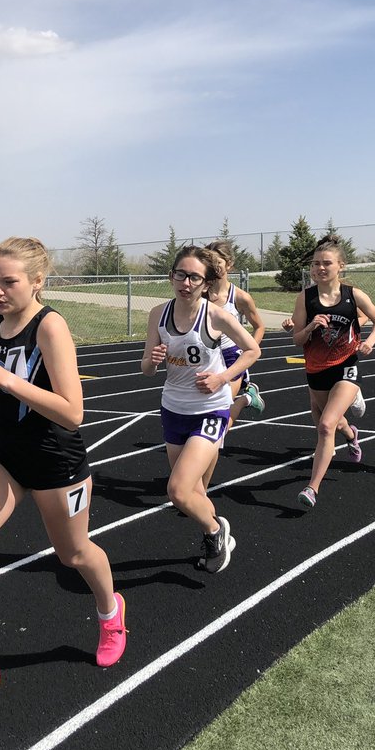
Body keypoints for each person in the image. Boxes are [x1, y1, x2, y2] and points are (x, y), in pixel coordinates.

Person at [0, 237, 126, 730]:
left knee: (74, 554)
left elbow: (73, 412)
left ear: (37, 281)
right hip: (2, 451)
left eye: (8, 281)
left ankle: (110, 611)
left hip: (54, 458)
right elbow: (3, 376)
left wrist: (5, 380)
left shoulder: (51, 327)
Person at [141, 245, 260, 573]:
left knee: (178, 491)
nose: (186, 282)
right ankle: (219, 531)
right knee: (192, 490)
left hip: (211, 410)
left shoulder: (216, 316)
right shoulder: (158, 315)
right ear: (171, 276)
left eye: (194, 277)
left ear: (206, 283)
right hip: (173, 409)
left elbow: (252, 351)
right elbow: (147, 369)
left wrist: (222, 378)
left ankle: (215, 531)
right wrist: (151, 361)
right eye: (181, 274)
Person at [289, 236, 375, 508]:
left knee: (325, 425)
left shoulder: (353, 294)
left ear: (340, 266)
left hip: (347, 366)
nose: (320, 268)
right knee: (331, 420)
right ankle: (352, 435)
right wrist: (310, 327)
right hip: (317, 369)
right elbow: (297, 339)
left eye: (327, 263)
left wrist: (369, 342)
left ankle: (312, 487)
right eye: (316, 264)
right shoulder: (305, 298)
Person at [204, 240, 266, 418]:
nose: (213, 268)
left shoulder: (240, 297)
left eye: (218, 263)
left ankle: (244, 399)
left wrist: (247, 352)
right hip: (207, 357)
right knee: (204, 410)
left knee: (220, 413)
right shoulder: (199, 294)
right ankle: (249, 396)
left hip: (231, 357)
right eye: (209, 263)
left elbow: (259, 326)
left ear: (229, 265)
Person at [282, 311, 366, 419]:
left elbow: (364, 316)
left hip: (340, 354)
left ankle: (352, 394)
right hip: (316, 356)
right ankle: (347, 435)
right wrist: (290, 325)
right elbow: (296, 323)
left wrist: (345, 326)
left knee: (329, 415)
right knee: (316, 406)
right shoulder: (306, 297)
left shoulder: (348, 295)